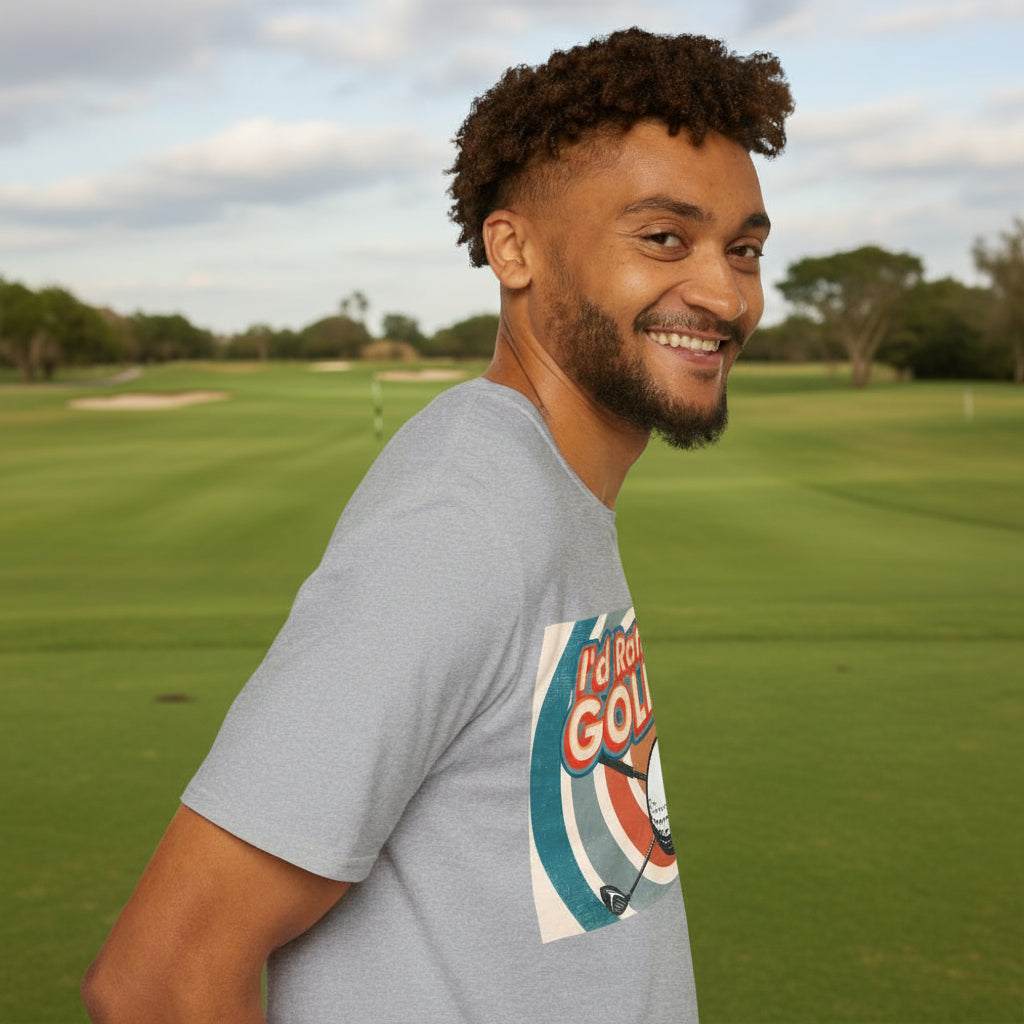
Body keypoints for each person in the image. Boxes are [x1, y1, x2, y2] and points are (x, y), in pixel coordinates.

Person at [82, 27, 792, 1023]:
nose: (724, 292)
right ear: (514, 249)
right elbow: (159, 978)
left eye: (744, 248)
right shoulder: (463, 520)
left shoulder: (543, 496)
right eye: (663, 238)